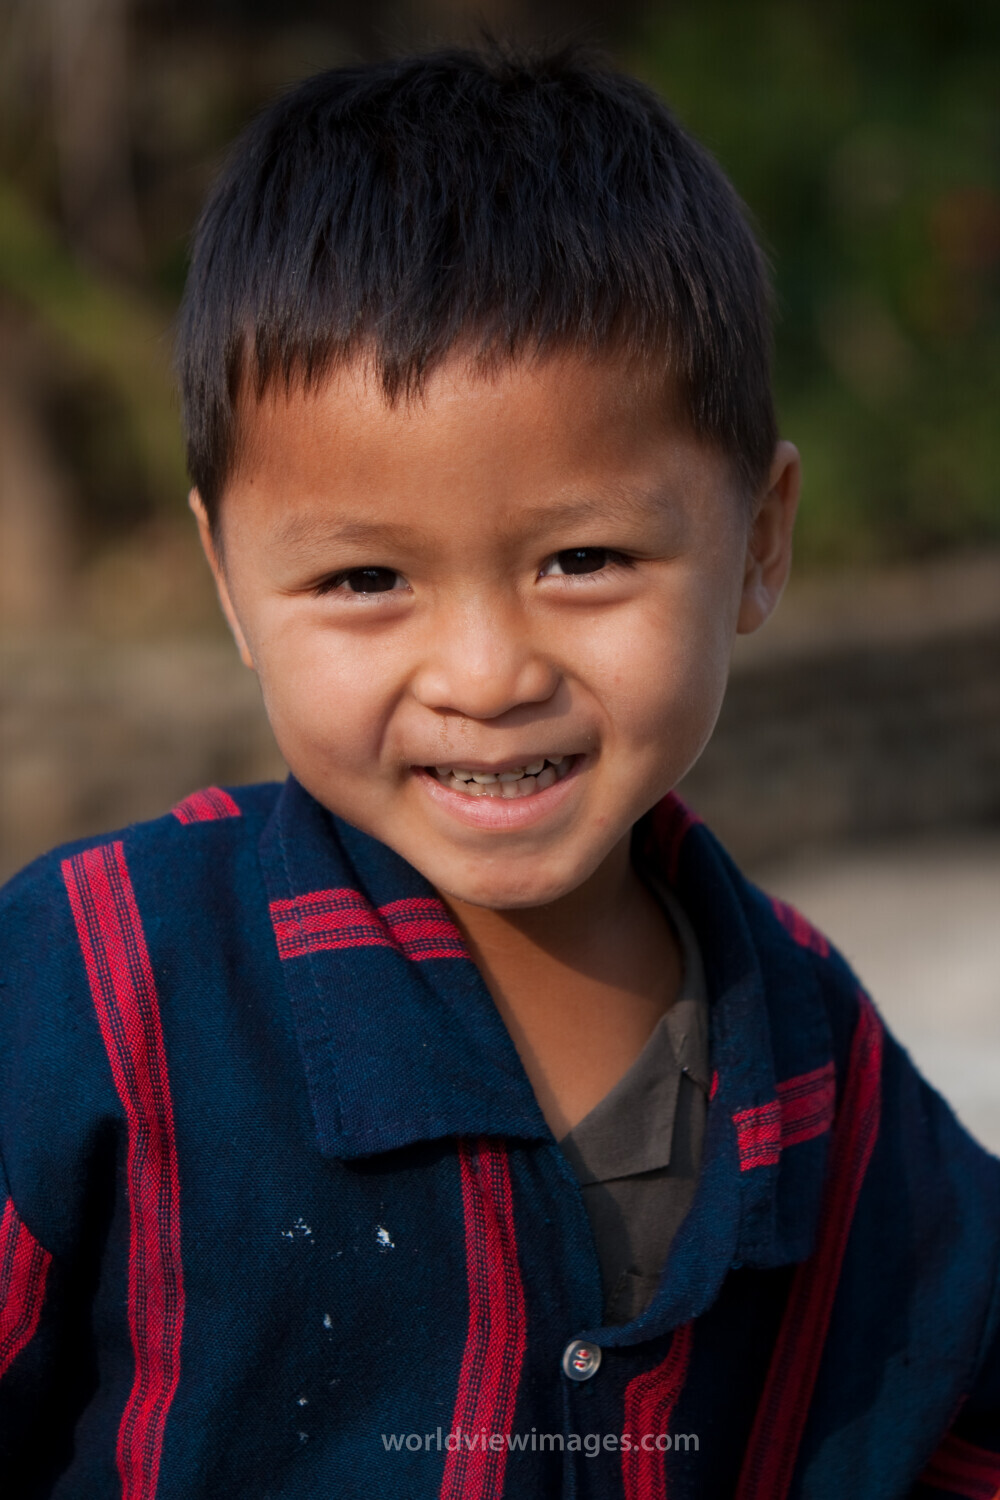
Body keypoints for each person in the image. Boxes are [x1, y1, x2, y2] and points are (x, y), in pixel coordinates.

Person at [0, 43, 997, 1500]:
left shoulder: (810, 1047)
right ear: (229, 582)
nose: (486, 674)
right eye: (364, 580)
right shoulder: (92, 990)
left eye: (582, 559)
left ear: (761, 541)